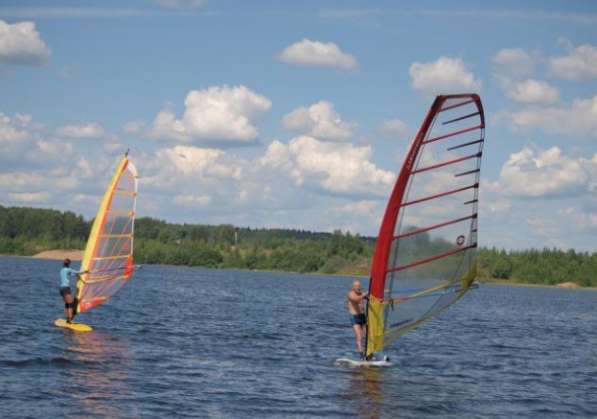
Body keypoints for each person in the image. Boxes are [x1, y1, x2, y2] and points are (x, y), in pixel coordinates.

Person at [59, 258, 87, 323]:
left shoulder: (62, 270)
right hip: (66, 288)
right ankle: (69, 320)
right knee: (71, 304)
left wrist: (78, 276)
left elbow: (72, 274)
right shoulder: (68, 269)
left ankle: (67, 319)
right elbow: (76, 272)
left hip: (61, 289)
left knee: (67, 304)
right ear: (69, 264)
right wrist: (85, 271)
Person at [347, 280, 368, 359]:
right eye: (357, 286)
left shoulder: (361, 293)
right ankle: (361, 354)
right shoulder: (350, 294)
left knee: (367, 336)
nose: (358, 288)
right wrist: (364, 294)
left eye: (359, 286)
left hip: (362, 316)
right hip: (354, 317)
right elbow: (356, 300)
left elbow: (369, 296)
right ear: (353, 287)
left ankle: (368, 353)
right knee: (359, 336)